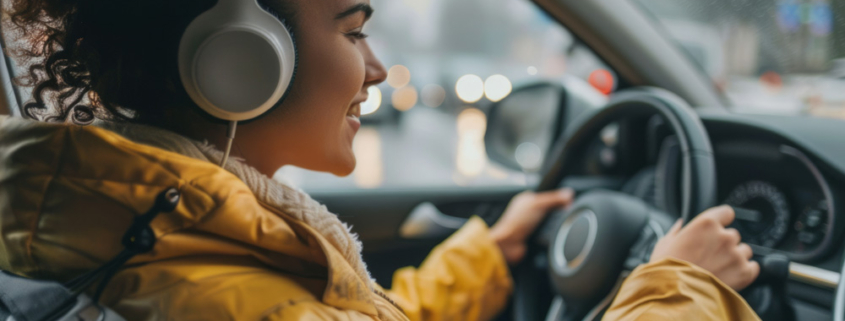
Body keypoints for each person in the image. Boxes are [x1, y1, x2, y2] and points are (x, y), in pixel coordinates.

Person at [0, 0, 760, 320]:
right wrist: (682, 286)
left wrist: (487, 253)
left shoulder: (158, 243)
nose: (373, 68)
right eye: (353, 29)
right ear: (241, 62)